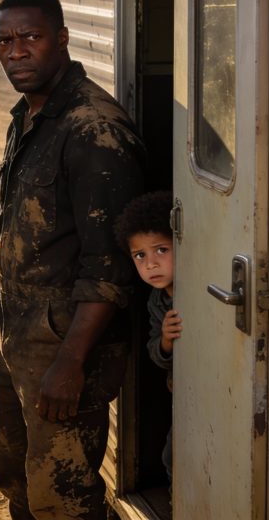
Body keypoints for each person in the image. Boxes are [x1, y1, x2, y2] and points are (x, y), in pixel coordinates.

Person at [0, 0, 145, 519]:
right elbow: (22, 239)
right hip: (19, 331)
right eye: (4, 40)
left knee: (62, 499)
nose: (15, 51)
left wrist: (71, 362)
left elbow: (111, 267)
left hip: (68, 345)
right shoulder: (28, 117)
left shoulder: (92, 129)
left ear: (62, 38)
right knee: (16, 476)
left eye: (30, 37)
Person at [114, 190, 181, 481]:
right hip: (184, 396)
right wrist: (166, 340)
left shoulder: (200, 290)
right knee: (173, 457)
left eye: (161, 250)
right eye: (140, 255)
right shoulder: (157, 301)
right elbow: (156, 352)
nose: (150, 263)